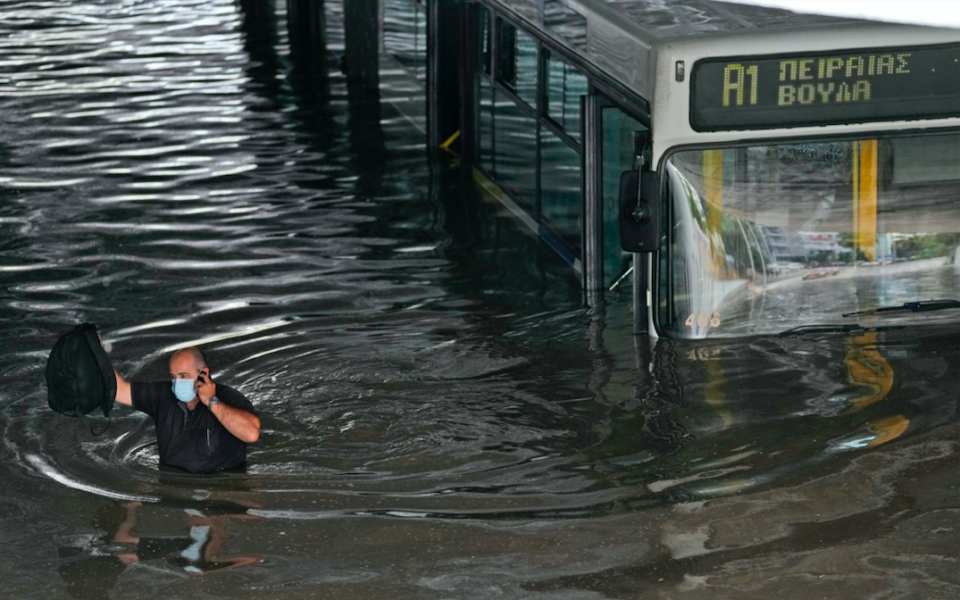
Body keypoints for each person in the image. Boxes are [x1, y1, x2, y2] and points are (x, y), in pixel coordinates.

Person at [114, 347, 260, 473]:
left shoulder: (228, 397)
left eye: (183, 376)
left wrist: (212, 402)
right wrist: (94, 348)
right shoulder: (163, 394)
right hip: (171, 482)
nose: (178, 383)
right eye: (173, 377)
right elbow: (119, 390)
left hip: (220, 487)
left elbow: (251, 433)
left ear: (203, 374)